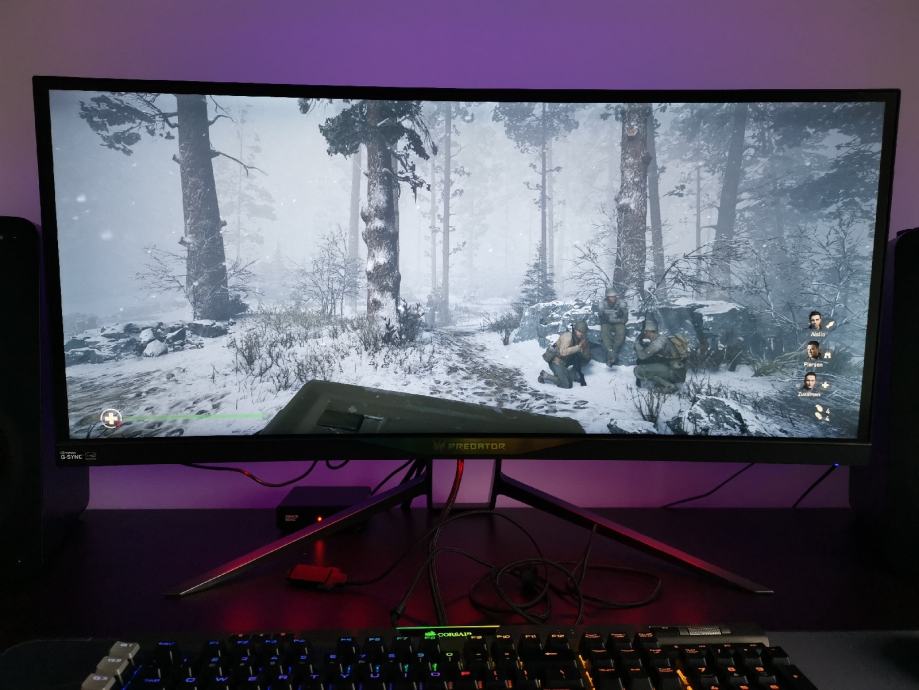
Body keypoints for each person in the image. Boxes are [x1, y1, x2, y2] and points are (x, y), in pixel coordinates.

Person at [633, 318, 687, 392]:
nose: (645, 334)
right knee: (649, 367)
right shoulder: (661, 339)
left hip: (674, 373)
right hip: (677, 371)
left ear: (649, 331)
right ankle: (663, 383)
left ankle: (670, 386)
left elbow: (642, 356)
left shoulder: (659, 341)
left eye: (645, 332)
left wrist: (637, 343)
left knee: (638, 370)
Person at [538, 320, 591, 388]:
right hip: (556, 361)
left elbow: (587, 357)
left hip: (564, 362)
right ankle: (545, 376)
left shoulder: (580, 339)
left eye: (583, 333)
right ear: (575, 330)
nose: (582, 334)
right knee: (566, 384)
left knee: (579, 361)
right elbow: (562, 352)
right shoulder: (568, 336)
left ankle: (571, 375)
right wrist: (578, 347)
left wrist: (584, 348)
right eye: (581, 332)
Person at [594, 287, 628, 366]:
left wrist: (620, 316)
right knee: (604, 333)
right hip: (607, 323)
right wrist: (606, 317)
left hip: (618, 322)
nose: (612, 298)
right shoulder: (602, 304)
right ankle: (610, 351)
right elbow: (601, 319)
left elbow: (625, 319)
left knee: (621, 332)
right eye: (610, 297)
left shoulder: (621, 304)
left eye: (614, 296)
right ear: (607, 297)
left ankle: (613, 352)